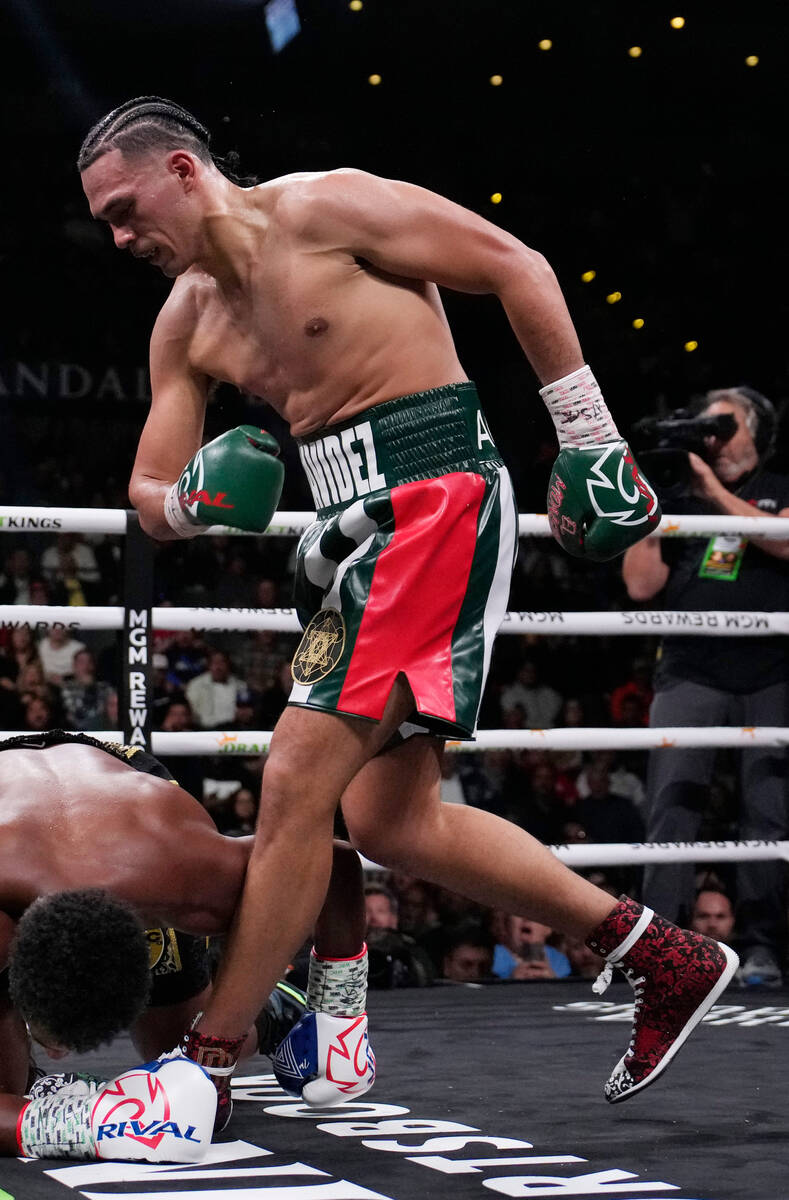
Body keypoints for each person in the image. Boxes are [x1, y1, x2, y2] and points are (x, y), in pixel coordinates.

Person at [78, 95, 732, 1111]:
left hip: (438, 493)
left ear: (179, 169)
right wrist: (189, 503)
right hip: (346, 530)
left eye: (123, 208)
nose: (119, 238)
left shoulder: (328, 209)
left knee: (295, 775)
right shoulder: (186, 322)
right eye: (104, 224)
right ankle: (663, 955)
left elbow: (514, 263)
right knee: (389, 820)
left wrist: (587, 435)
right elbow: (143, 494)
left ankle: (205, 1062)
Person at [0, 730, 365, 1160]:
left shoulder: (187, 878)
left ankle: (275, 1013)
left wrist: (341, 1018)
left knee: (175, 1046)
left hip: (125, 797)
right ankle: (34, 1085)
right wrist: (100, 1126)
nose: (60, 1053)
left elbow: (335, 862)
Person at [623, 385, 789, 987]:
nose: (711, 436)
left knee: (767, 814)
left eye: (724, 426)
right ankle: (661, 952)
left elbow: (785, 539)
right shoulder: (677, 499)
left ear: (757, 434)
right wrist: (645, 505)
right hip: (690, 670)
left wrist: (712, 495)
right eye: (705, 426)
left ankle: (763, 946)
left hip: (771, 674)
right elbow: (642, 586)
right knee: (671, 808)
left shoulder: (780, 489)